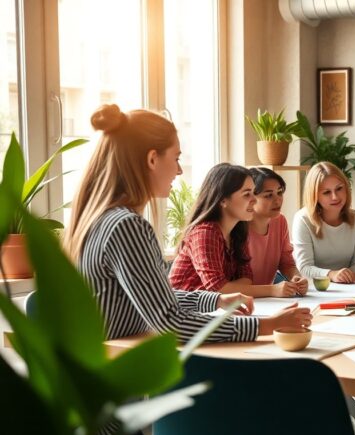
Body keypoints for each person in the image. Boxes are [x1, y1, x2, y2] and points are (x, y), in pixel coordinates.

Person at [65, 104, 310, 343]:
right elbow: (171, 323)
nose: (180, 170)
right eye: (176, 158)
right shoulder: (126, 226)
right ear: (152, 159)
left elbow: (156, 297)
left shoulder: (102, 218)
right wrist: (266, 325)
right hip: (113, 371)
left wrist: (213, 301)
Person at [169, 163, 301, 298]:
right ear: (223, 200)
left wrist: (231, 288)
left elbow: (247, 278)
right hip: (185, 311)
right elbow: (218, 288)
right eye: (246, 194)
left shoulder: (237, 230)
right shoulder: (205, 233)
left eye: (253, 192)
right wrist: (272, 290)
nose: (254, 199)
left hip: (216, 309)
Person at [292, 162, 355, 283]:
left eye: (339, 189)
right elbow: (304, 268)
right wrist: (332, 275)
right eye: (326, 192)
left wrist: (345, 278)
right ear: (314, 196)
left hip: (351, 287)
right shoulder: (302, 219)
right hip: (315, 290)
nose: (335, 197)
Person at [246, 167, 308, 293]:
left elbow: (287, 263)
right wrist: (273, 290)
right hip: (240, 302)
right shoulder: (237, 226)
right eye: (269, 195)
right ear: (251, 198)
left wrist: (296, 278)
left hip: (269, 301)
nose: (278, 200)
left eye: (279, 192)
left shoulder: (280, 221)